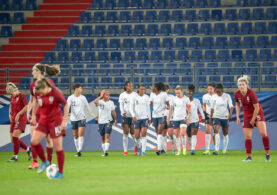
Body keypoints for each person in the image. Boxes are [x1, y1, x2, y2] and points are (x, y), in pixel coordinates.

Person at [30, 78, 68, 179]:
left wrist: (64, 120)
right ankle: (45, 161)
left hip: (55, 121)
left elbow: (66, 104)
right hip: (43, 120)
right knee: (34, 141)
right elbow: (36, 102)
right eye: (39, 93)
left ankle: (60, 172)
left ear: (47, 87)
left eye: (42, 92)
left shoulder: (55, 93)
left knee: (58, 146)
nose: (41, 95)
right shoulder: (37, 92)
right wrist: (33, 114)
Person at [27, 63, 59, 169]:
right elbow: (33, 100)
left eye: (33, 71)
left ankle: (48, 163)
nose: (32, 73)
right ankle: (35, 161)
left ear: (38, 71)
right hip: (37, 114)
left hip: (48, 114)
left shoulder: (49, 83)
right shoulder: (32, 85)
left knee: (48, 139)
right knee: (33, 137)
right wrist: (30, 112)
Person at [234, 75, 270, 162]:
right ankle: (249, 157)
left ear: (246, 85)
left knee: (263, 133)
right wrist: (238, 117)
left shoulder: (252, 93)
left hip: (257, 113)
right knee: (247, 137)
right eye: (239, 85)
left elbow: (257, 107)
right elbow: (238, 105)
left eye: (242, 84)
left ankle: (267, 154)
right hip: (247, 115)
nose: (241, 86)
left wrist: (253, 119)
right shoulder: (237, 94)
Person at [6, 83, 31, 162]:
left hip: (20, 119)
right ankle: (28, 149)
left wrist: (19, 114)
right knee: (13, 140)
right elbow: (11, 105)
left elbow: (26, 106)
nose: (11, 95)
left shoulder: (22, 96)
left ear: (14, 90)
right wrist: (9, 114)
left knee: (15, 137)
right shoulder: (12, 97)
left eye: (11, 93)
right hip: (13, 119)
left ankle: (15, 157)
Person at [67, 83, 91, 157]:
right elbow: (68, 105)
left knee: (80, 134)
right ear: (76, 89)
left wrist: (91, 114)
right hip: (73, 118)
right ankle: (77, 150)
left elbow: (87, 106)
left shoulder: (83, 98)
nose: (81, 90)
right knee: (75, 135)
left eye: (81, 88)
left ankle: (79, 150)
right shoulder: (70, 98)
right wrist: (67, 112)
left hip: (82, 118)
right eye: (80, 88)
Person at [210, 83, 234, 155]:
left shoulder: (227, 96)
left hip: (225, 116)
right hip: (216, 116)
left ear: (222, 90)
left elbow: (231, 106)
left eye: (219, 91)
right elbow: (212, 108)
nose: (217, 93)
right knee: (216, 130)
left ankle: (224, 150)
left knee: (225, 133)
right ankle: (216, 150)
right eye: (216, 91)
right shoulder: (213, 97)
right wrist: (211, 117)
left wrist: (230, 114)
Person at [167, 86, 191, 156]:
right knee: (177, 135)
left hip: (183, 118)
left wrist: (188, 118)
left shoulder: (186, 99)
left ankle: (184, 148)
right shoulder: (173, 99)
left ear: (182, 92)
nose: (177, 94)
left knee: (183, 133)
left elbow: (189, 110)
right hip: (175, 119)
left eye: (178, 93)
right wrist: (168, 119)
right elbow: (171, 110)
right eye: (176, 93)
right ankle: (179, 150)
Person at [94, 90, 117, 157]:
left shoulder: (111, 102)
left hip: (108, 121)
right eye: (106, 94)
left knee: (107, 136)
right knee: (102, 137)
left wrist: (115, 119)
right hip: (100, 122)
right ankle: (104, 151)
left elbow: (113, 112)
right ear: (103, 95)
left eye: (109, 94)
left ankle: (106, 151)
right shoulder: (100, 102)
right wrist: (100, 96)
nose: (108, 96)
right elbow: (95, 101)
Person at [130, 84, 151, 156]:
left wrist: (149, 118)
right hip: (137, 119)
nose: (142, 90)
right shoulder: (134, 97)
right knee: (136, 136)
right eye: (141, 89)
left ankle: (143, 151)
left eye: (144, 89)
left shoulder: (147, 97)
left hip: (145, 118)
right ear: (138, 89)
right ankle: (139, 147)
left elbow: (148, 108)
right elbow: (131, 108)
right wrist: (133, 116)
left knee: (143, 134)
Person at [150, 82, 170, 155]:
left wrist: (168, 107)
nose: (151, 88)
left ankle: (159, 149)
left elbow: (168, 104)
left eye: (153, 87)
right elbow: (150, 104)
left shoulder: (164, 94)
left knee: (159, 131)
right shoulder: (152, 94)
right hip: (154, 115)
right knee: (158, 133)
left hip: (162, 114)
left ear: (156, 88)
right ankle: (163, 150)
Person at [119, 81, 137, 156]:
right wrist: (122, 112)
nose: (131, 87)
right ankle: (125, 151)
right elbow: (121, 105)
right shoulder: (122, 95)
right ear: (126, 86)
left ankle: (136, 147)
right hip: (125, 116)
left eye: (131, 86)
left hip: (133, 116)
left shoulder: (135, 94)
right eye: (129, 86)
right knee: (125, 132)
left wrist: (135, 114)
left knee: (133, 133)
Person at [186, 84, 205, 155]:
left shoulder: (196, 101)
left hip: (195, 120)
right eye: (188, 92)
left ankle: (193, 149)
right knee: (189, 135)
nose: (189, 94)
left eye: (191, 92)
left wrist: (203, 117)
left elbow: (200, 109)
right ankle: (191, 147)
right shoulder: (184, 100)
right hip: (187, 120)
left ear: (193, 93)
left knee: (194, 134)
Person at [202, 83, 216, 155]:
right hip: (208, 116)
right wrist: (204, 113)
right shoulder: (205, 96)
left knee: (215, 132)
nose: (209, 90)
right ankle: (207, 150)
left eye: (211, 89)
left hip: (216, 116)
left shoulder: (217, 96)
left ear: (214, 89)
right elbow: (204, 105)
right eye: (208, 89)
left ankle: (215, 149)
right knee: (208, 131)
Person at [163, 84, 174, 154]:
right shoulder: (160, 98)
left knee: (170, 134)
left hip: (171, 118)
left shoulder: (172, 97)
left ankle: (173, 149)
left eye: (166, 89)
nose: (165, 91)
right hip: (162, 117)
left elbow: (173, 107)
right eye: (164, 89)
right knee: (163, 134)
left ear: (168, 90)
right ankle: (165, 150)